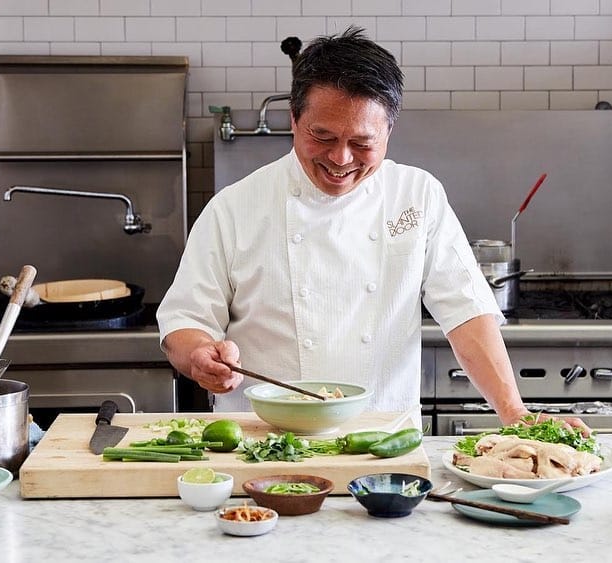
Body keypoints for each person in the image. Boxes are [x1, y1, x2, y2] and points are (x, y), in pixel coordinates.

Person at [157, 26, 589, 433]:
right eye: (322, 137)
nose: (341, 158)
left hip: (384, 448)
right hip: (263, 445)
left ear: (389, 131)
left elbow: (467, 312)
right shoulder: (234, 207)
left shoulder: (416, 195)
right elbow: (185, 321)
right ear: (293, 119)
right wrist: (199, 356)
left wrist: (515, 413)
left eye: (362, 143)